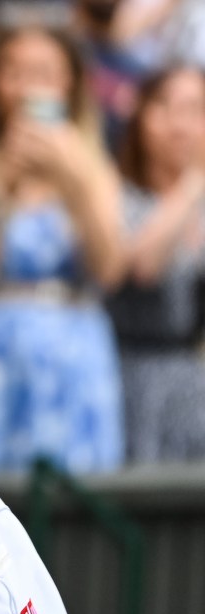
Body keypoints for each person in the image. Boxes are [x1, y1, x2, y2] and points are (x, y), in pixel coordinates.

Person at [0, 26, 126, 474]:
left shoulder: (93, 165)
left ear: (70, 85)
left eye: (44, 72)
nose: (27, 87)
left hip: (75, 354)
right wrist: (1, 187)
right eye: (14, 72)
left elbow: (110, 270)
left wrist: (75, 185)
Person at [106, 65, 205, 465]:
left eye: (195, 109)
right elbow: (144, 266)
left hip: (193, 379)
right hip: (129, 374)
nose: (180, 125)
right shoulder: (117, 194)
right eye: (165, 107)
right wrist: (194, 179)